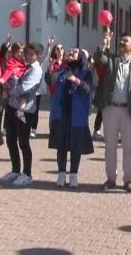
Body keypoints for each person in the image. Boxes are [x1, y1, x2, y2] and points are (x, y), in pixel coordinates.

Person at [94, 30, 131, 192]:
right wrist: (104, 43)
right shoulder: (111, 60)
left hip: (128, 111)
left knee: (128, 147)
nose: (122, 43)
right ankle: (111, 178)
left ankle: (128, 179)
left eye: (126, 41)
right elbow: (98, 59)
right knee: (110, 146)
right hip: (110, 109)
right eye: (121, 40)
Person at [0, 43, 43, 187]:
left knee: (23, 142)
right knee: (11, 139)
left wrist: (9, 90)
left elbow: (24, 87)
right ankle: (15, 170)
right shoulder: (24, 66)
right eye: (26, 53)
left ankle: (27, 173)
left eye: (31, 54)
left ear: (38, 55)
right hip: (13, 106)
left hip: (24, 111)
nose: (27, 56)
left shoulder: (35, 70)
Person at [49, 48, 94, 188]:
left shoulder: (86, 72)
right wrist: (50, 70)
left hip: (77, 114)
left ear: (80, 56)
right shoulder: (62, 70)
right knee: (61, 145)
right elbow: (50, 81)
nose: (70, 53)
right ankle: (61, 174)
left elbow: (89, 89)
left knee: (76, 147)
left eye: (74, 52)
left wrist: (76, 80)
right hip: (62, 113)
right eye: (69, 52)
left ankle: (73, 174)